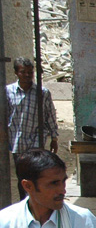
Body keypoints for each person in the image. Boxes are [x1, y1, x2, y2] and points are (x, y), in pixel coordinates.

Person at [6, 57, 59, 200]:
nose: (28, 75)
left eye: (30, 72)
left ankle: (36, 201)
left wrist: (54, 137)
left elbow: (50, 115)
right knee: (22, 176)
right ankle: (25, 201)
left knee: (36, 173)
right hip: (17, 141)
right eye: (24, 72)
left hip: (36, 139)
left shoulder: (42, 92)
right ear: (16, 73)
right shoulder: (8, 92)